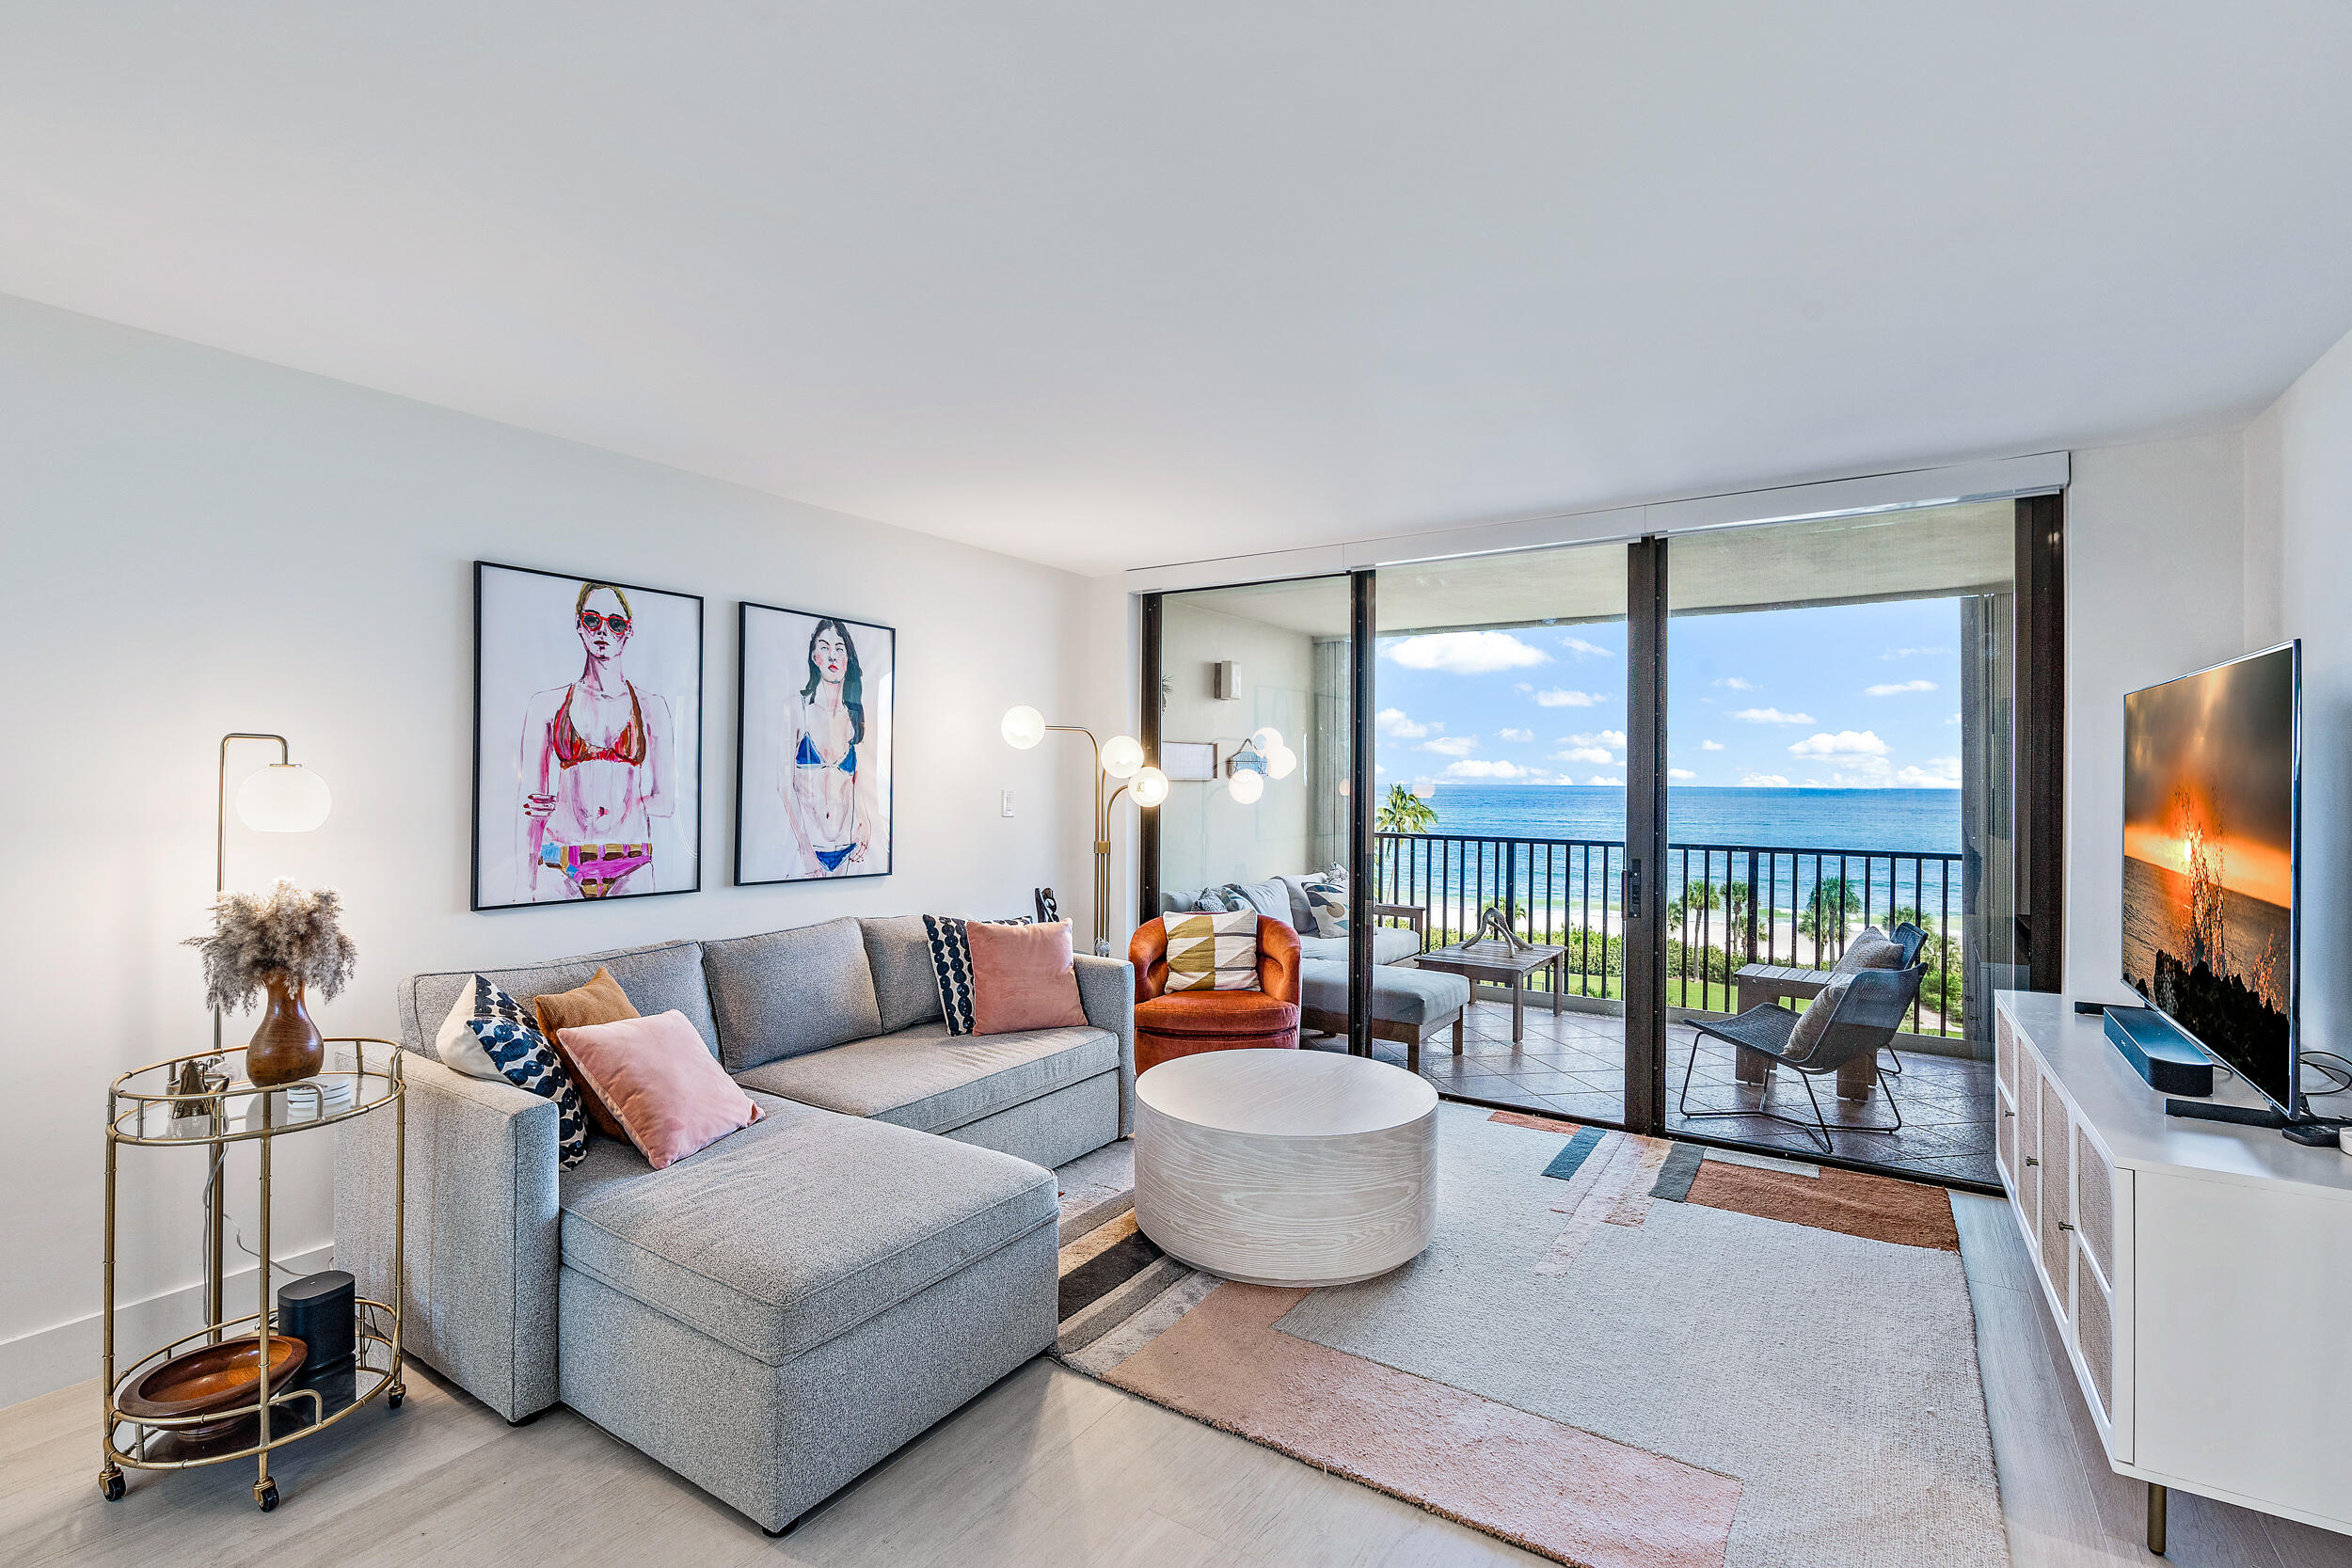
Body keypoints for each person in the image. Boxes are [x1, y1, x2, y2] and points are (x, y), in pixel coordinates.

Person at [516, 582, 676, 900]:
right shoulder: (546, 705)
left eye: (615, 624)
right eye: (592, 620)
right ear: (579, 625)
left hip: (630, 857)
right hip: (561, 854)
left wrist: (622, 805)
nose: (603, 631)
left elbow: (666, 802)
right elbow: (531, 807)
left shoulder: (651, 706)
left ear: (628, 631)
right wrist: (524, 883)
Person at [784, 617, 880, 876]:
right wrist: (804, 848)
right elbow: (784, 786)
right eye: (824, 648)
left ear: (848, 659)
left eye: (839, 648)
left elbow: (854, 779)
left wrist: (866, 822)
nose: (832, 656)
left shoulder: (853, 717)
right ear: (814, 656)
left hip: (849, 847)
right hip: (808, 846)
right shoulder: (798, 709)